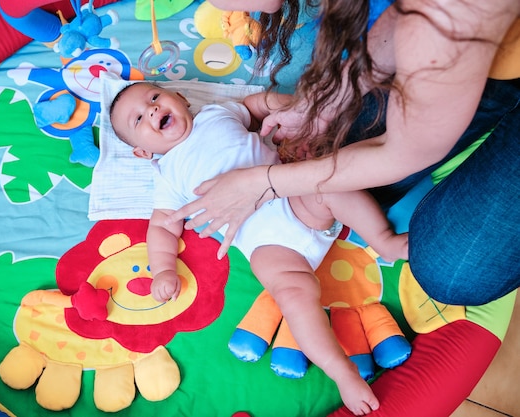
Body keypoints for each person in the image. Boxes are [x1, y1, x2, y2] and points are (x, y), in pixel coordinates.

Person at [167, 0, 520, 306]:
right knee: (342, 156)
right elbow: (395, 18)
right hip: (470, 39)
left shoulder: (441, 16)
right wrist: (327, 104)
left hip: (464, 31)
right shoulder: (164, 170)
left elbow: (401, 153)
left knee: (452, 269)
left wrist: (266, 183)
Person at [109, 81, 409, 415]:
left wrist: (283, 103)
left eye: (154, 97)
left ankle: (385, 241)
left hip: (293, 196)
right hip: (267, 245)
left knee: (329, 186)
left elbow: (254, 108)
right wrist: (164, 267)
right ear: (142, 152)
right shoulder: (167, 174)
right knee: (294, 299)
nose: (151, 109)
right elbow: (163, 223)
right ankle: (342, 373)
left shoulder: (216, 114)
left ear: (180, 98)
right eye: (138, 120)